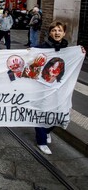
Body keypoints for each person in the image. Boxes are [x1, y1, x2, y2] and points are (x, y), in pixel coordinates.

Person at [34, 20, 73, 155]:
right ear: (50, 32)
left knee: (60, 112)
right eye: (54, 30)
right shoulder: (42, 47)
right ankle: (41, 140)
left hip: (59, 88)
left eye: (59, 30)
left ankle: (47, 131)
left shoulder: (69, 50)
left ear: (64, 33)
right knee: (41, 113)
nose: (57, 33)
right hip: (43, 87)